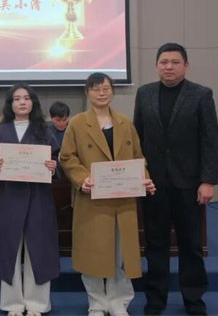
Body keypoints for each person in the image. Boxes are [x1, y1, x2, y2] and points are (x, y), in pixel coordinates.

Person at [133, 43, 218, 316]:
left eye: (175, 62)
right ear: (156, 65)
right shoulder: (144, 93)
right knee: (155, 244)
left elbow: (210, 140)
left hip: (189, 183)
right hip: (154, 184)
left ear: (186, 66)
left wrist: (208, 180)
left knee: (191, 245)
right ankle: (155, 300)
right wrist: (138, 175)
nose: (169, 67)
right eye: (164, 62)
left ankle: (194, 300)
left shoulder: (201, 94)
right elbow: (137, 138)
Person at [60, 73, 156, 316]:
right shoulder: (77, 123)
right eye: (96, 89)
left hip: (123, 199)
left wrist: (144, 179)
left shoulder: (125, 123)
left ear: (112, 91)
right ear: (87, 93)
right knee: (93, 252)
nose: (101, 93)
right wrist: (82, 179)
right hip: (92, 197)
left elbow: (138, 157)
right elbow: (67, 157)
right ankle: (96, 302)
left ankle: (119, 301)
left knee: (121, 252)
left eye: (105, 88)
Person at [0, 84, 60, 316]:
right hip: (9, 198)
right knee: (9, 248)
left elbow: (56, 163)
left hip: (39, 198)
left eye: (26, 98)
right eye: (16, 98)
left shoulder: (45, 131)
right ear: (10, 104)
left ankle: (37, 303)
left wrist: (53, 166)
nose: (22, 102)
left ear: (33, 103)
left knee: (39, 249)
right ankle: (12, 304)